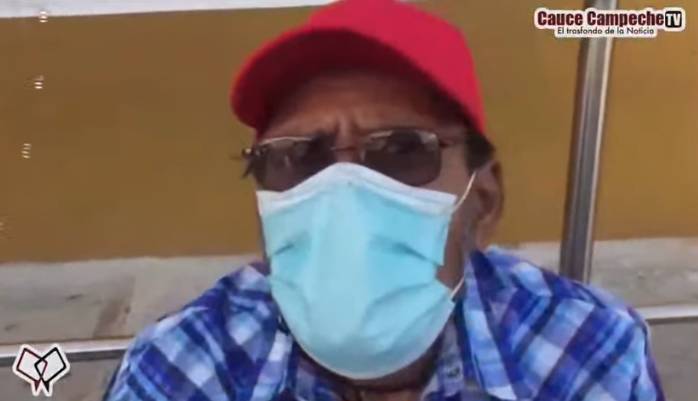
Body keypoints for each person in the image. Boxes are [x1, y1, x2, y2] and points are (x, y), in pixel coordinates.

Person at [104, 0, 664, 400]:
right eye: (296, 156)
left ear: (484, 200)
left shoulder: (589, 355)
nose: (343, 189)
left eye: (401, 150)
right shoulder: (183, 369)